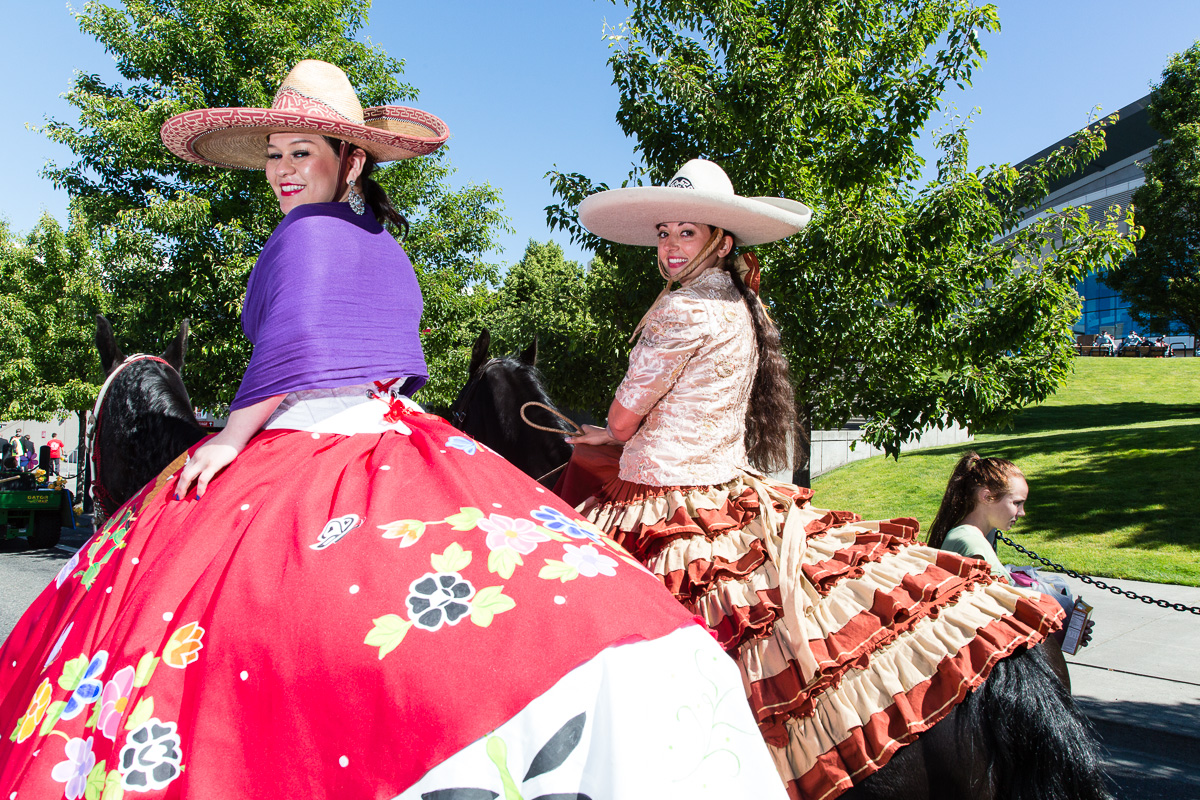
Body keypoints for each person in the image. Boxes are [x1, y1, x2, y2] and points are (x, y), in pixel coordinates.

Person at [0, 62, 783, 800]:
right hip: (397, 434)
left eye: (301, 150)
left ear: (351, 160)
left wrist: (231, 441)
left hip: (309, 439)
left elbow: (293, 349)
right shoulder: (382, 240)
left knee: (158, 605)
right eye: (274, 153)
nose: (281, 169)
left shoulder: (301, 235)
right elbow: (394, 363)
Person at [563, 160, 1066, 798]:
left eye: (685, 232)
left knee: (576, 624)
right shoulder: (740, 305)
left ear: (721, 239)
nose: (668, 246)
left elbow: (622, 415)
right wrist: (619, 435)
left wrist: (611, 429)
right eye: (663, 231)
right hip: (723, 485)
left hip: (660, 500)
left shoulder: (682, 308)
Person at [926, 451, 1025, 579]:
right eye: (1017, 503)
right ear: (987, 497)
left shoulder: (966, 537)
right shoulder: (971, 545)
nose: (1022, 513)